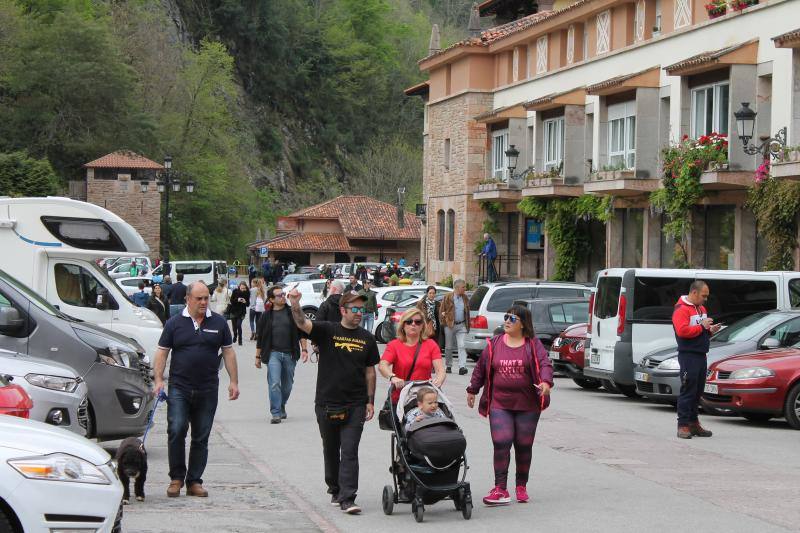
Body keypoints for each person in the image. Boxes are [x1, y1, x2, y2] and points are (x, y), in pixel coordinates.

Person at [286, 289, 379, 515]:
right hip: (327, 402)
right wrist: (296, 305)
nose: (359, 313)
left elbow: (370, 372)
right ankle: (335, 488)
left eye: (361, 309)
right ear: (343, 310)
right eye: (354, 309)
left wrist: (370, 401)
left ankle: (348, 497)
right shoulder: (327, 330)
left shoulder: (367, 338)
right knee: (331, 449)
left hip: (355, 403)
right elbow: (302, 324)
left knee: (350, 450)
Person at [153, 282, 240, 499]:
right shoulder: (174, 323)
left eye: (206, 298)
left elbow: (228, 353)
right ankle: (176, 478)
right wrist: (158, 380)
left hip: (208, 388)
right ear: (188, 299)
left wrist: (234, 382)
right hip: (180, 387)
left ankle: (194, 481)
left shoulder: (219, 322)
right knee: (176, 429)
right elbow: (162, 353)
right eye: (199, 298)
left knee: (201, 436)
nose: (203, 302)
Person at [466, 304, 553, 506]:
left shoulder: (533, 344)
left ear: (523, 324)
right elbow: (481, 368)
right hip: (499, 403)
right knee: (501, 442)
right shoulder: (493, 344)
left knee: (523, 446)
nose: (506, 321)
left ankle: (521, 486)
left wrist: (546, 383)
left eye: (512, 319)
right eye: (506, 317)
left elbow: (545, 363)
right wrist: (472, 389)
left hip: (528, 404)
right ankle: (500, 489)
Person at [673, 280, 721, 439]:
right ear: (694, 293)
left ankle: (693, 422)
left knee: (697, 391)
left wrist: (710, 330)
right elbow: (682, 331)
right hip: (688, 355)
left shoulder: (701, 309)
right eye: (703, 296)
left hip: (701, 354)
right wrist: (702, 327)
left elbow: (701, 330)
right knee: (688, 389)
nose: (705, 299)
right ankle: (683, 425)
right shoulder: (681, 310)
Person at [256, 285, 309, 423]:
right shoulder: (266, 316)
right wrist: (257, 356)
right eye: (279, 295)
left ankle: (281, 404)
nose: (283, 296)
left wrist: (304, 349)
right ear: (272, 299)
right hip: (273, 353)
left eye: (283, 294)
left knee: (287, 385)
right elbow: (260, 338)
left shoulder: (292, 313)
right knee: (274, 383)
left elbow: (302, 332)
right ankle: (276, 413)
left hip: (290, 354)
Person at [378, 308, 445, 404]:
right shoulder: (394, 345)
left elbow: (440, 369)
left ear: (422, 326)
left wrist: (439, 379)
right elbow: (383, 365)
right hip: (400, 398)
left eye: (418, 322)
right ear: (403, 325)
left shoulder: (431, 344)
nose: (413, 324)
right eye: (409, 322)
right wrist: (392, 377)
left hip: (423, 399)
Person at [440, 279, 471, 375]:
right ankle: (448, 365)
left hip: (461, 325)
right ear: (457, 288)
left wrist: (468, 324)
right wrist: (444, 320)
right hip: (450, 325)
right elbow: (441, 311)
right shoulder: (448, 297)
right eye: (463, 287)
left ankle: (462, 367)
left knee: (462, 345)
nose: (465, 289)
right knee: (449, 346)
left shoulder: (465, 297)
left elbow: (467, 312)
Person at [416, 286, 442, 350]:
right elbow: (417, 314)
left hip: (436, 328)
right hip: (424, 327)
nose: (432, 295)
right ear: (427, 293)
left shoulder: (438, 304)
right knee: (424, 345)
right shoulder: (421, 303)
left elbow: (440, 315)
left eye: (433, 293)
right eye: (430, 293)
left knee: (433, 346)